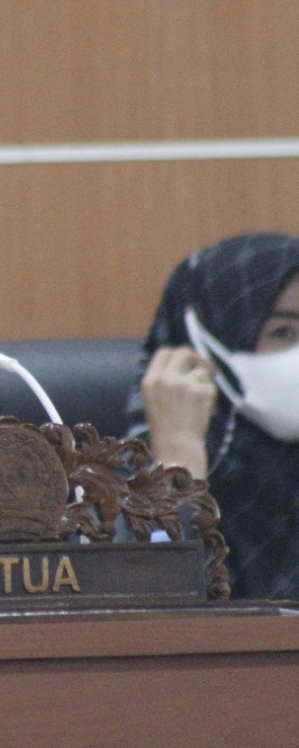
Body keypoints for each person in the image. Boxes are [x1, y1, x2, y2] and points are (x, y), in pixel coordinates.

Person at [126, 232, 299, 600]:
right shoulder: (113, 490)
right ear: (209, 343)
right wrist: (178, 461)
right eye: (284, 332)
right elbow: (156, 612)